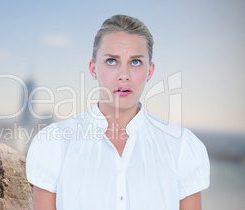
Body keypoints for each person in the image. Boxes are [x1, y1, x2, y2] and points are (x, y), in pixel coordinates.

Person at [26, 14, 210, 210]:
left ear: (150, 71)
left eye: (136, 62)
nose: (124, 75)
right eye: (112, 61)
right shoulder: (55, 143)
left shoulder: (181, 147)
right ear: (93, 68)